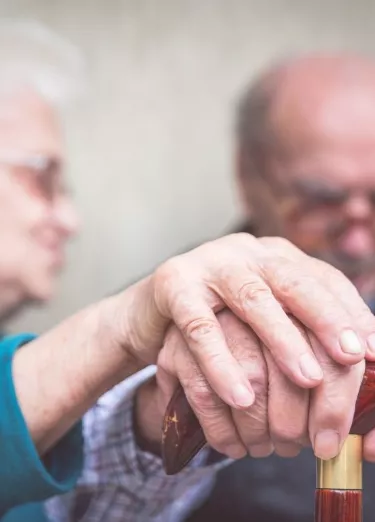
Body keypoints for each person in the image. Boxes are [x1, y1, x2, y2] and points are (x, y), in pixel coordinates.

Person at [0, 22, 371, 522]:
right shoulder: (168, 316)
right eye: (319, 199)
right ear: (249, 175)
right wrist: (131, 341)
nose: (356, 239)